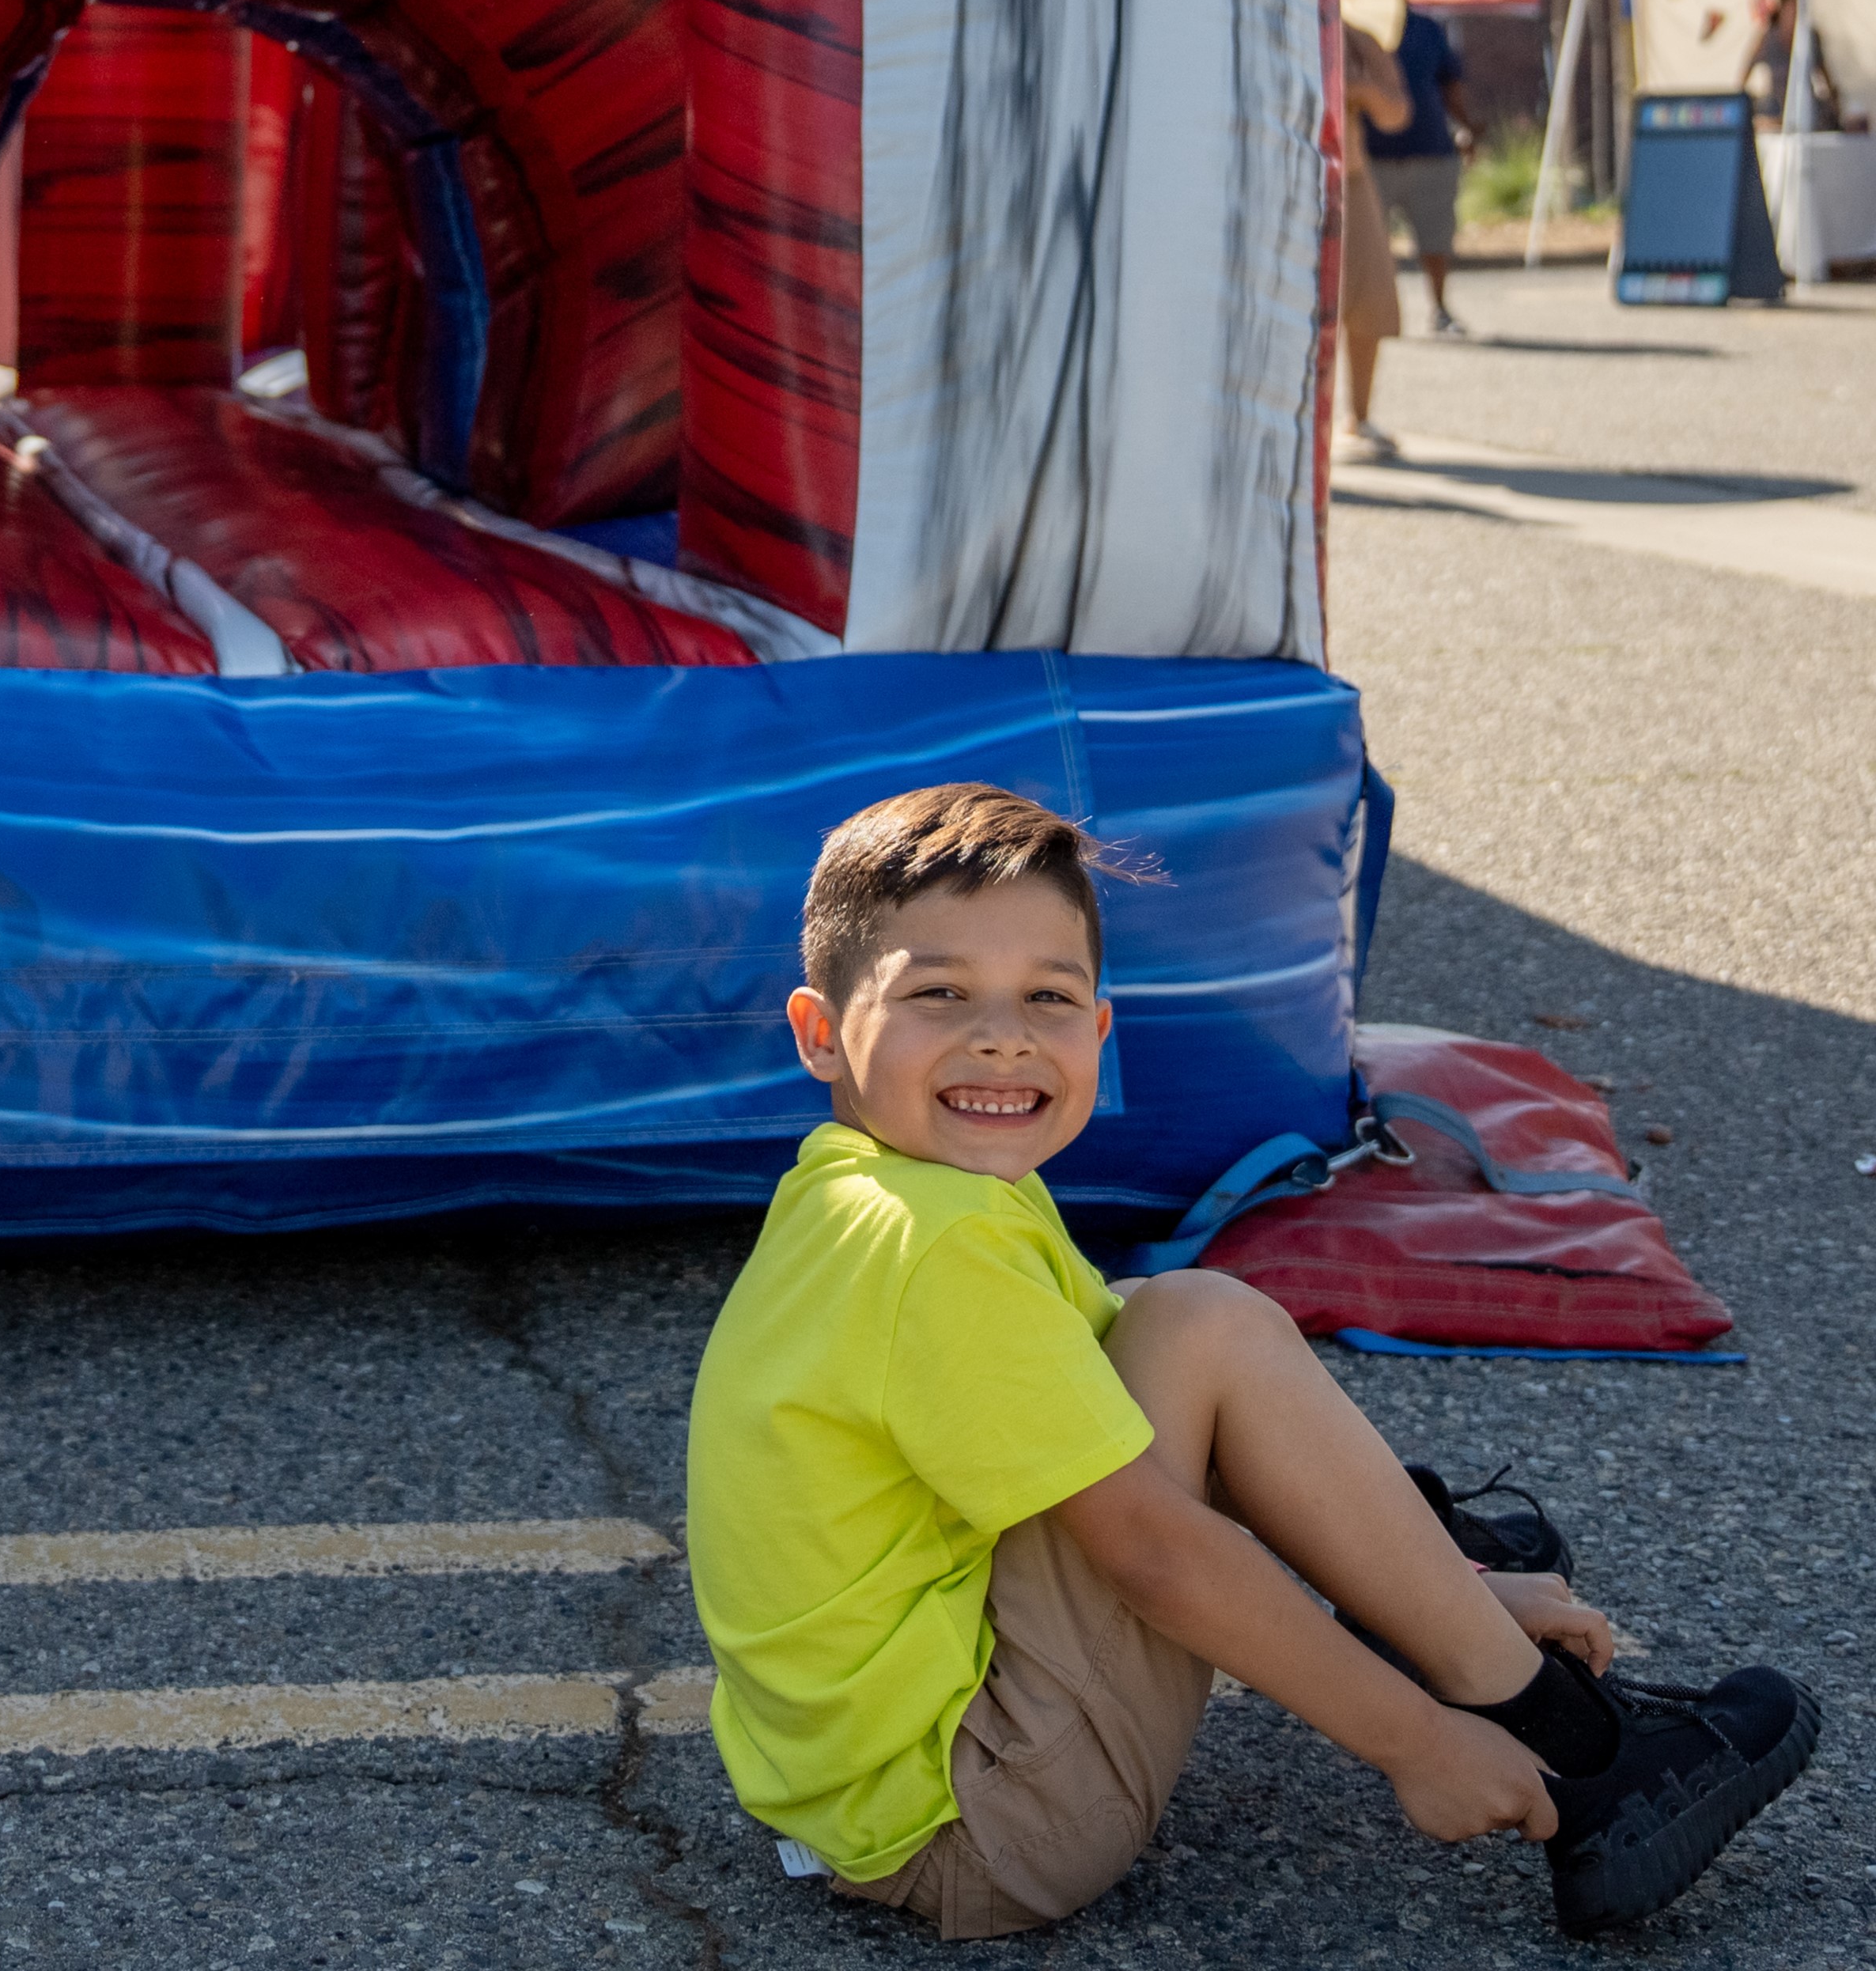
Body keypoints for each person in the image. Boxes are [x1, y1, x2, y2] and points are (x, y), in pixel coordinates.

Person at [684, 783, 1819, 1942]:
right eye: (939, 995)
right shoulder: (944, 1242)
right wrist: (1411, 1741)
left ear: (1097, 1031)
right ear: (821, 1032)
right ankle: (1584, 1763)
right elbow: (1153, 1555)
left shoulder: (867, 1196)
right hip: (977, 1829)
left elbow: (1132, 1424)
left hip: (861, 1797)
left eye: (1046, 997)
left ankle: (1426, 1602)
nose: (1001, 1036)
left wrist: (1437, 1590)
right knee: (1203, 1324)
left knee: (1161, 1323)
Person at [1367, 7, 1481, 336]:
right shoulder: (1355, 26)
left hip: (1430, 150)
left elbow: (1449, 82)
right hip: (1372, 156)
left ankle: (1441, 309)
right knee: (1370, 246)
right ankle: (1375, 316)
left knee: (1436, 239)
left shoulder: (1426, 28)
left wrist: (1467, 126)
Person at [1342, 17, 1414, 459]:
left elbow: (1396, 115)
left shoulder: (1357, 40)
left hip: (1348, 178)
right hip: (1276, 180)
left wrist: (1360, 89)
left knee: (1369, 296)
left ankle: (1359, 415)